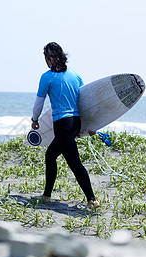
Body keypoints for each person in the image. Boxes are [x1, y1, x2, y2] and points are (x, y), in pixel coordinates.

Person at [31, 42, 99, 209]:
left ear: (49, 58)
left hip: (62, 124)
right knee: (51, 155)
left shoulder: (47, 77)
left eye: (45, 58)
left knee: (75, 163)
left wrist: (34, 119)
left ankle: (92, 199)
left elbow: (39, 103)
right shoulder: (75, 75)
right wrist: (92, 125)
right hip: (76, 122)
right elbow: (85, 101)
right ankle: (46, 195)